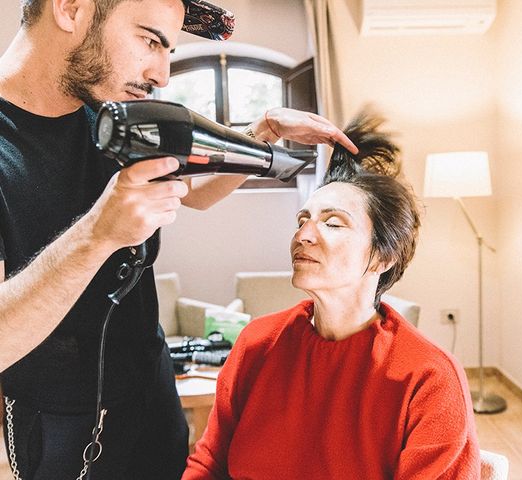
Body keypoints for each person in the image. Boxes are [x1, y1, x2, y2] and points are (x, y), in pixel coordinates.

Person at [0, 0, 357, 478]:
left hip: (152, 389)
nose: (162, 75)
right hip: (57, 422)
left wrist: (263, 132)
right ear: (70, 8)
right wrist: (96, 237)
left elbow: (194, 191)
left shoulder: (115, 109)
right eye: (149, 40)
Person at [182, 109, 481, 479]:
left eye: (333, 222)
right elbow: (208, 462)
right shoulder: (257, 343)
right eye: (302, 219)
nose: (303, 235)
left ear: (382, 257)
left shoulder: (428, 378)